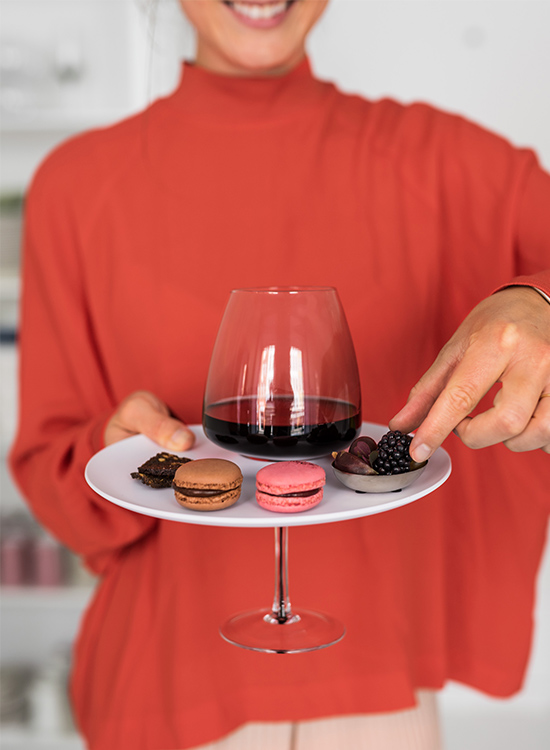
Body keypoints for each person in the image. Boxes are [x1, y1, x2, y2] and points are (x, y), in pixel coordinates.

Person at [9, 1, 550, 748]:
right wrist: (118, 451)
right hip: (167, 691)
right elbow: (49, 469)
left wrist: (539, 299)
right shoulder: (76, 187)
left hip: (379, 694)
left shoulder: (450, 161)